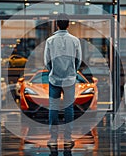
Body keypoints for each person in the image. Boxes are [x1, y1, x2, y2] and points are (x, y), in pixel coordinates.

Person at [44, 13, 82, 152]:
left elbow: (46, 61)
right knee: (69, 108)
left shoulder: (50, 41)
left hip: (54, 79)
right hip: (70, 79)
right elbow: (78, 60)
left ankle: (53, 138)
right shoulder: (75, 40)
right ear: (68, 24)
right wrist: (72, 71)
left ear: (56, 24)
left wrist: (53, 70)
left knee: (53, 107)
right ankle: (67, 138)